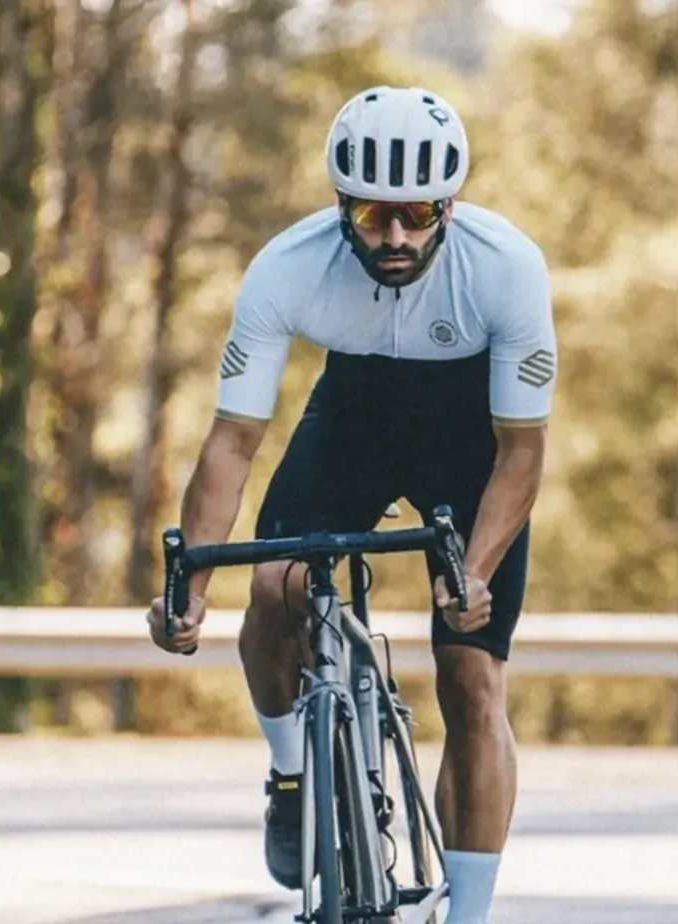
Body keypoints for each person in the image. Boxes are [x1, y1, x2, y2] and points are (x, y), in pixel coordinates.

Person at [145, 85, 555, 924]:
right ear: (341, 205)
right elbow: (232, 441)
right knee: (272, 590)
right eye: (372, 217)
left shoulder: (507, 268)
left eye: (415, 215)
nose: (396, 237)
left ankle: (469, 913)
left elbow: (521, 451)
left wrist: (472, 572)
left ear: (449, 204)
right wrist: (191, 582)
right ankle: (293, 772)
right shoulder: (287, 267)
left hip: (468, 440)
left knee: (472, 678)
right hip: (352, 420)